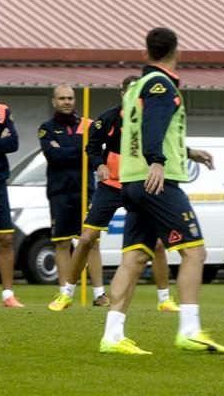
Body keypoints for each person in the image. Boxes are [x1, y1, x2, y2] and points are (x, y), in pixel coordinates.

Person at [100, 27, 224, 355]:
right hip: (157, 182)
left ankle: (112, 336)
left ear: (146, 53)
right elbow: (153, 128)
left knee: (134, 258)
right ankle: (189, 329)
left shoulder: (135, 89)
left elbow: (144, 130)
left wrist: (187, 152)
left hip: (130, 182)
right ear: (178, 51)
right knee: (195, 252)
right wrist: (157, 161)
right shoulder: (161, 85)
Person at [48, 76, 179, 312]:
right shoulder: (108, 118)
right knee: (87, 238)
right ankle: (65, 294)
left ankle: (164, 299)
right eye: (128, 92)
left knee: (158, 245)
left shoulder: (151, 120)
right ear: (122, 95)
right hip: (111, 187)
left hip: (140, 186)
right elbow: (92, 146)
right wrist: (99, 164)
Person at [38, 85, 107, 306]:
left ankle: (99, 294)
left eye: (70, 98)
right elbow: (53, 156)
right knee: (62, 242)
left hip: (86, 190)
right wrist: (78, 149)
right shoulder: (46, 128)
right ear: (54, 102)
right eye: (62, 98)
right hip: (59, 192)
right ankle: (64, 293)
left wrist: (68, 149)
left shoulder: (87, 125)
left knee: (91, 241)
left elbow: (93, 153)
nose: (66, 102)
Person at [0, 102, 24, 307]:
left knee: (5, 238)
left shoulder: (2, 110)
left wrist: (4, 142)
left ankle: (8, 295)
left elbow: (13, 143)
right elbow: (4, 143)